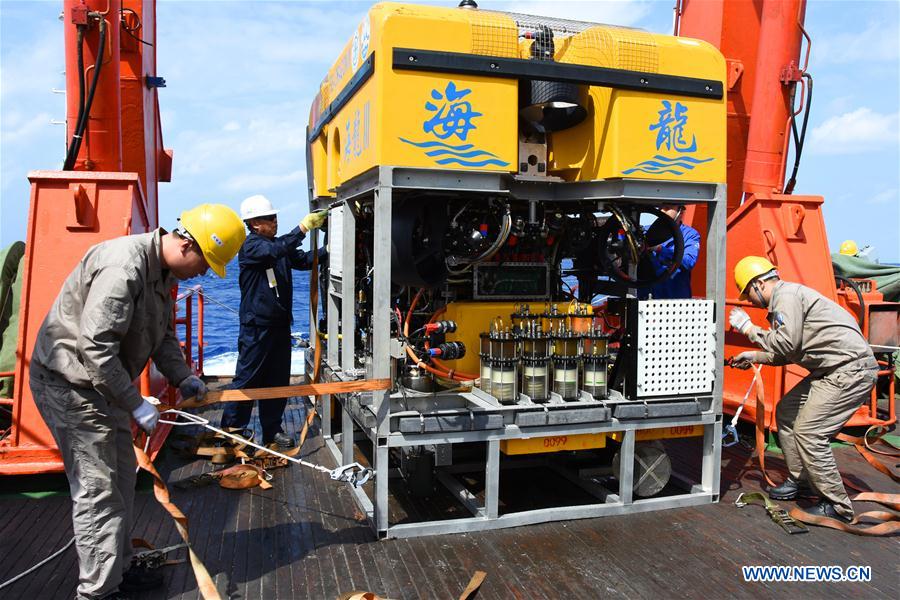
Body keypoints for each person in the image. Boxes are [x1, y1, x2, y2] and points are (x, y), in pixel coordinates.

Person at [29, 204, 246, 599]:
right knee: (99, 491)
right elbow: (94, 350)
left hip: (101, 386)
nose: (203, 274)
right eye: (205, 264)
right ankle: (97, 592)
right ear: (187, 246)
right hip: (70, 386)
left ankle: (118, 570)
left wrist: (183, 377)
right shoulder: (123, 269)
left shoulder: (160, 273)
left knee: (123, 478)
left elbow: (161, 334)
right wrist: (137, 404)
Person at [729, 256, 878, 523]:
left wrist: (749, 329)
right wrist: (753, 356)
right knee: (787, 412)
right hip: (833, 370)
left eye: (748, 292)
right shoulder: (786, 300)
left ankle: (837, 505)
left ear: (760, 283)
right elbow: (791, 352)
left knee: (810, 432)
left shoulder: (786, 297)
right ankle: (803, 481)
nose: (749, 300)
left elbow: (785, 344)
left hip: (849, 371)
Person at [220, 195, 327, 448]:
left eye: (275, 217)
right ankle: (232, 430)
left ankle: (272, 430)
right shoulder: (252, 248)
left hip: (279, 326)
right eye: (270, 218)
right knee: (247, 379)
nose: (275, 221)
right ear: (254, 224)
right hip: (256, 328)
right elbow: (276, 250)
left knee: (277, 380)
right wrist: (302, 228)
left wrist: (332, 250)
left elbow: (302, 260)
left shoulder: (277, 247)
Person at [639, 203, 701, 299]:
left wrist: (660, 249)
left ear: (680, 212)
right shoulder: (645, 232)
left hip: (674, 299)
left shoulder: (689, 234)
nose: (662, 211)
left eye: (667, 208)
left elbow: (688, 261)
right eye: (660, 208)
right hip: (645, 296)